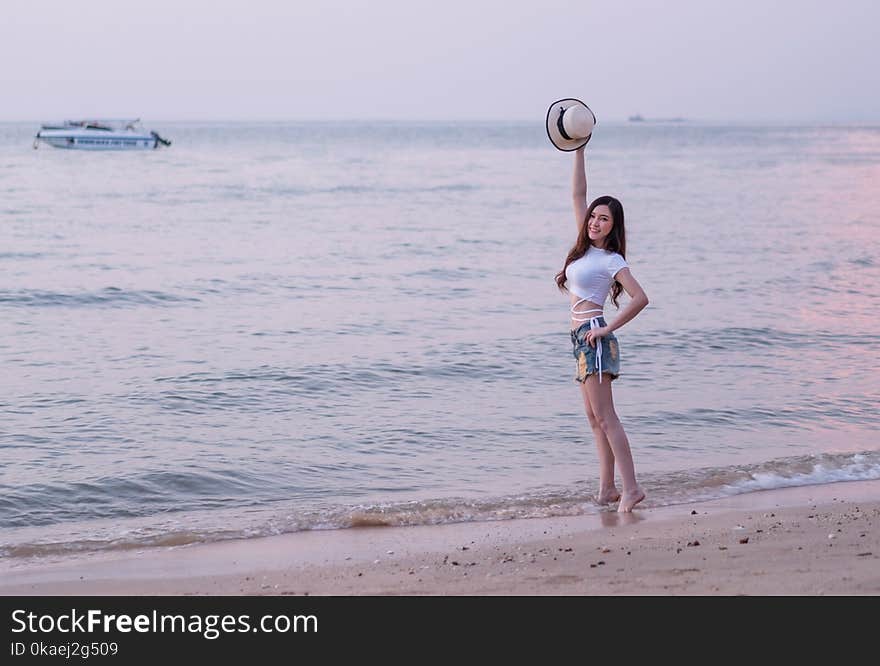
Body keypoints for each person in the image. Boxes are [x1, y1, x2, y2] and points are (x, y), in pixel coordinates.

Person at [555, 145, 649, 512]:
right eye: (593, 216)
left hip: (594, 335)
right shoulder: (583, 247)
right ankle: (607, 489)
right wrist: (578, 150)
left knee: (607, 418)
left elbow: (640, 298)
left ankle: (632, 488)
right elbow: (578, 192)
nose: (594, 222)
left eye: (603, 219)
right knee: (594, 420)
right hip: (580, 338)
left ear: (614, 226)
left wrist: (607, 327)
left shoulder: (612, 260)